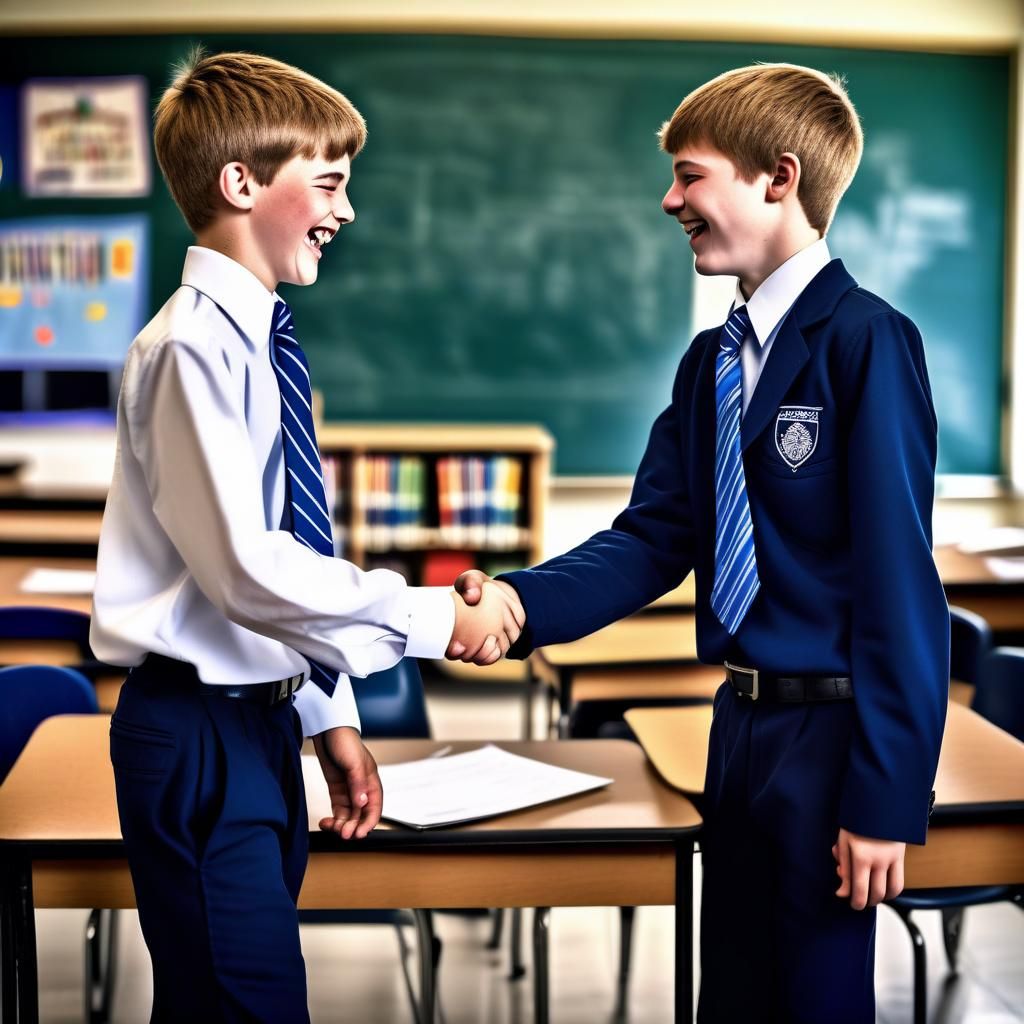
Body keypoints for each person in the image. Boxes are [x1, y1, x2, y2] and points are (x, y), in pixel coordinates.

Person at [453, 62, 949, 1023]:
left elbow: (901, 585)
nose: (669, 198)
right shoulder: (711, 363)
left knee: (815, 1001)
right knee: (732, 996)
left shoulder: (866, 342)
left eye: (691, 175)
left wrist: (885, 800)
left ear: (779, 177)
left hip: (830, 735)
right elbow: (653, 538)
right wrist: (518, 605)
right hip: (740, 731)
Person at [90, 49, 523, 1022]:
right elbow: (246, 570)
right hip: (196, 732)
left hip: (257, 723)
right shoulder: (191, 349)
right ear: (240, 183)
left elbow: (291, 551)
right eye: (328, 182)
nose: (347, 210)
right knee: (246, 1005)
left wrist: (330, 718)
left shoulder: (259, 340)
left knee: (230, 998)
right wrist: (432, 622)